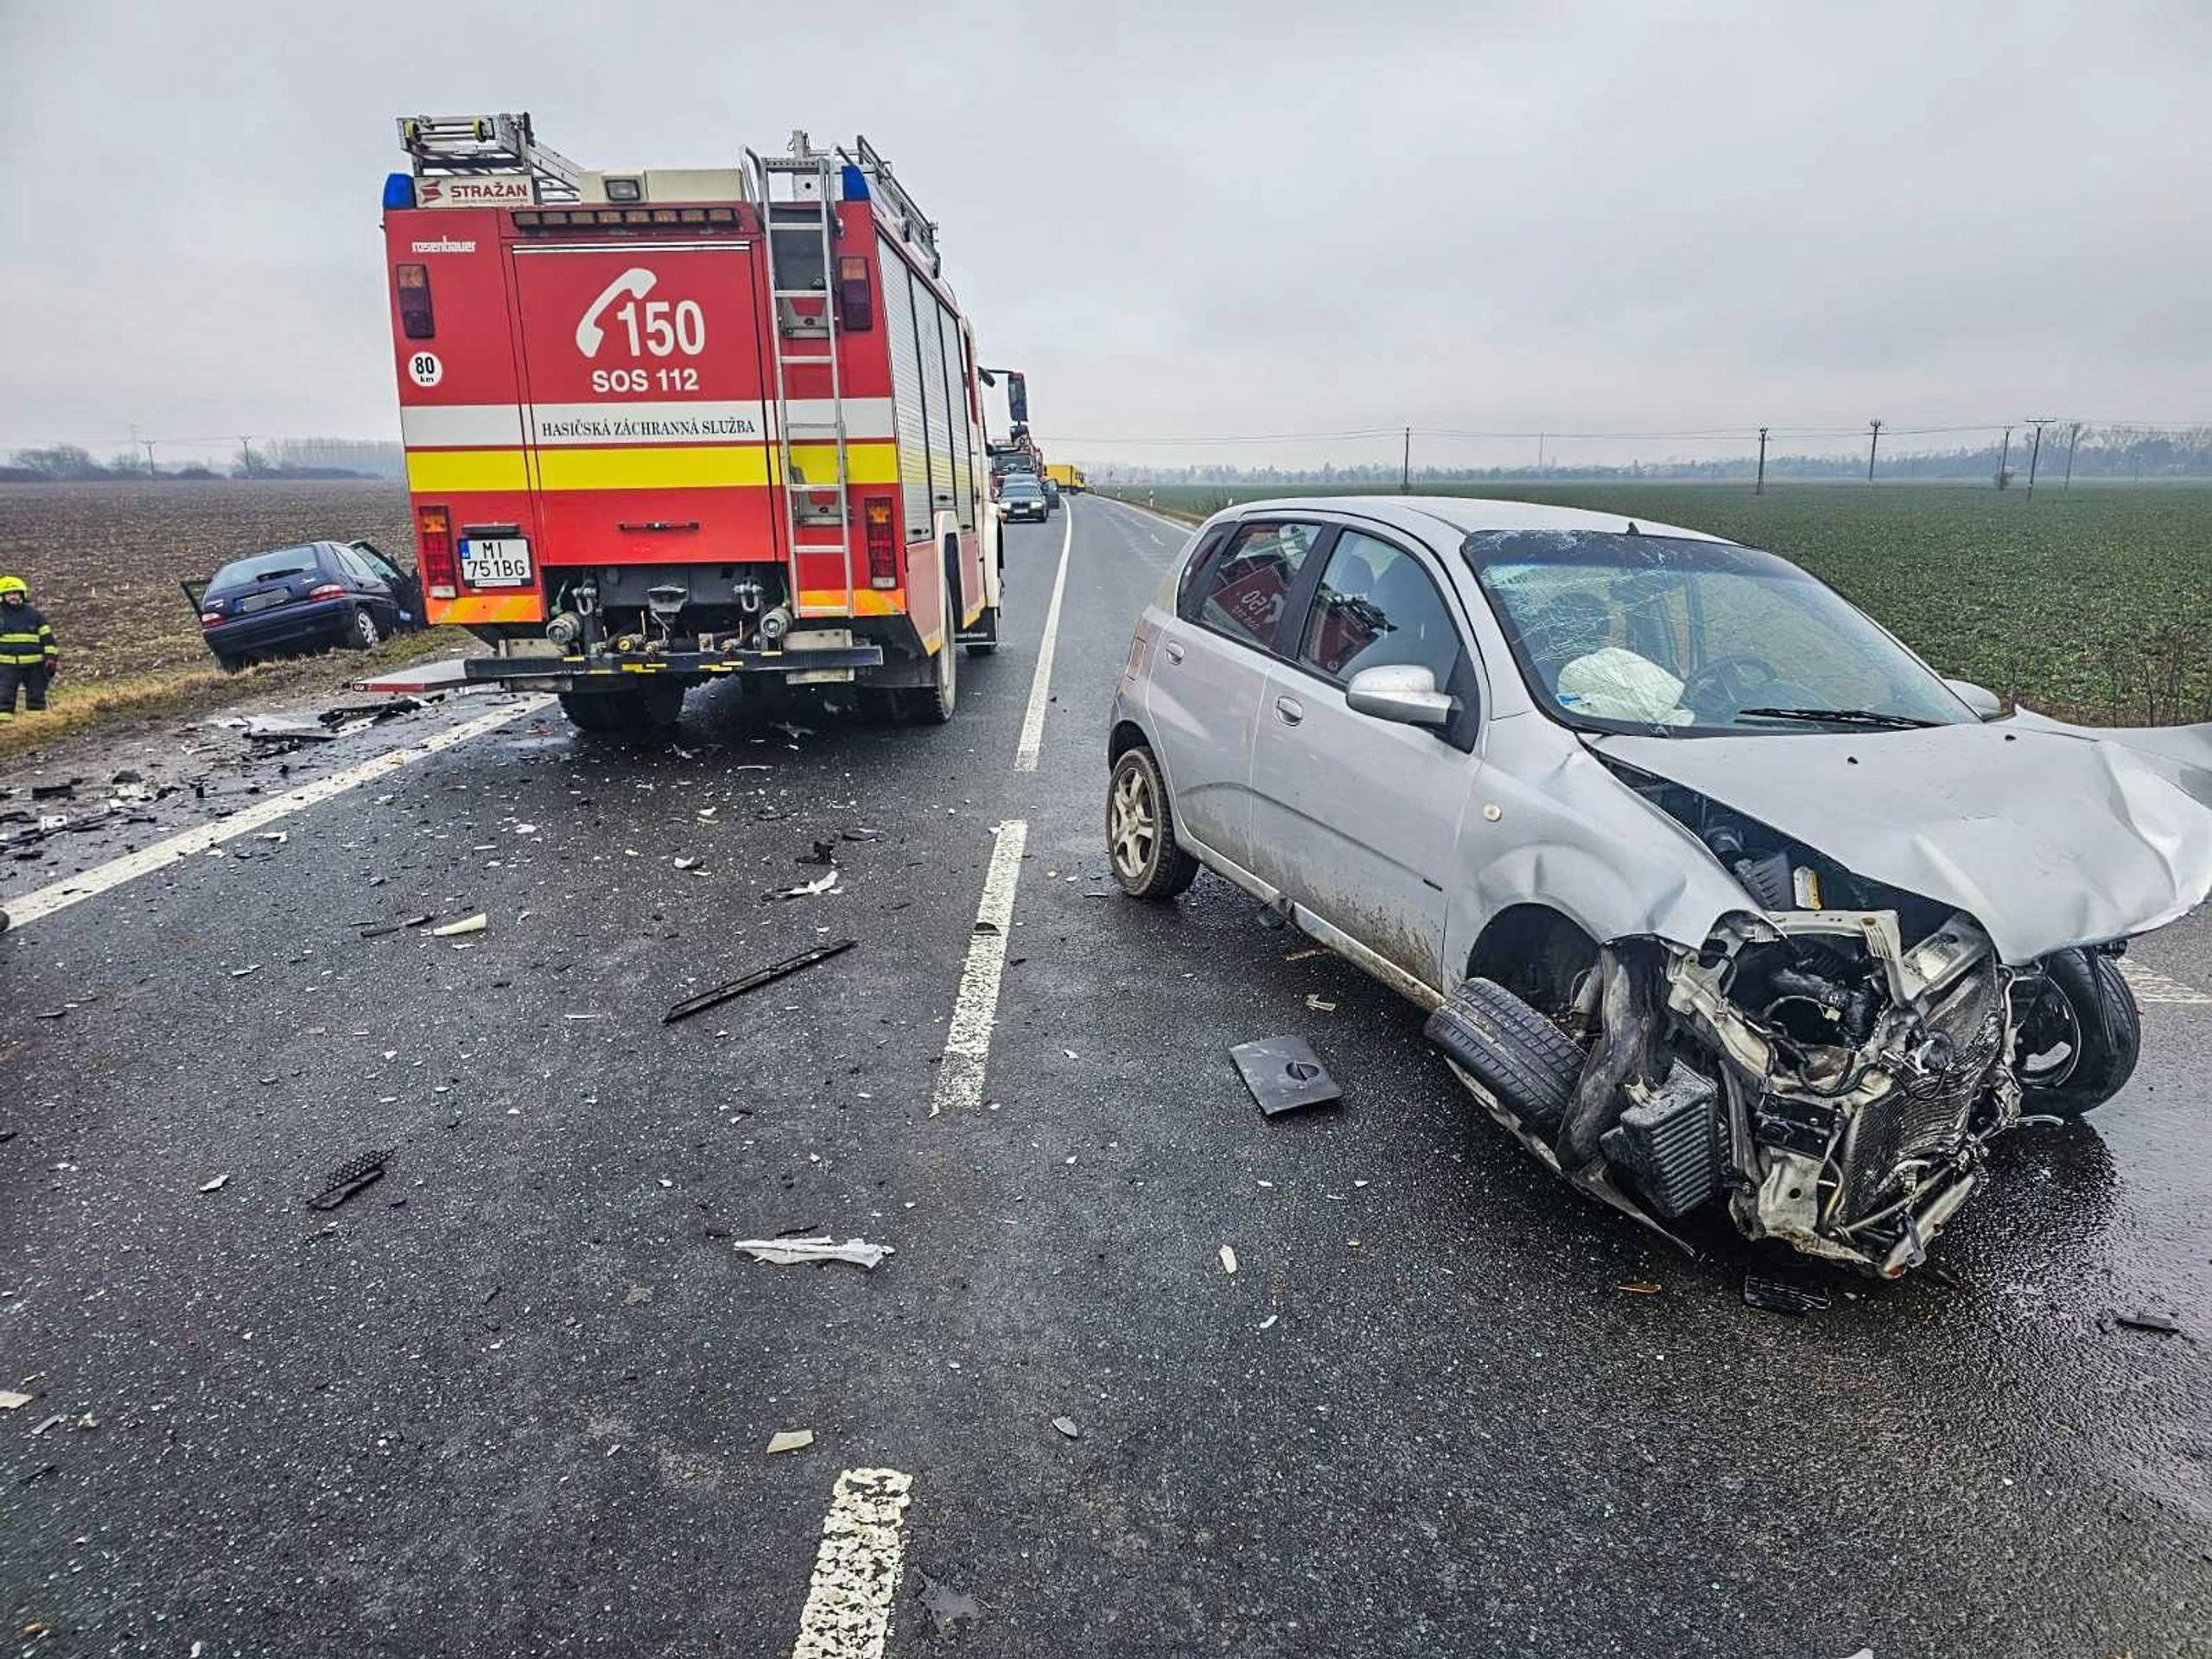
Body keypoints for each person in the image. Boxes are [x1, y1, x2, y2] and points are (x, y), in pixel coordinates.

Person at [0, 575, 59, 721]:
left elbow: (48, 640)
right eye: (9, 594)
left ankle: (36, 725)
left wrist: (51, 659)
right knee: (3, 698)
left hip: (35, 667)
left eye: (16, 593)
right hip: (6, 667)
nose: (12, 597)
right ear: (2, 596)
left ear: (22, 594)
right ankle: (4, 728)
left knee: (36, 697)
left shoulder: (34, 615)